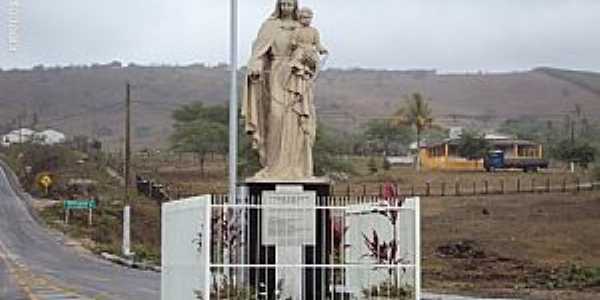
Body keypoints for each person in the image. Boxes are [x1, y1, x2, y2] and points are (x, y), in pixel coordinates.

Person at [242, 0, 326, 180]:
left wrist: (311, 60)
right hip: (276, 75)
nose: (287, 7)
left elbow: (313, 53)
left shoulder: (305, 28)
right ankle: (273, 167)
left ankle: (298, 168)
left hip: (298, 78)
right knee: (276, 116)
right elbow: (258, 53)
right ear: (278, 5)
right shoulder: (270, 26)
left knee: (297, 121)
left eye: (290, 4)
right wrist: (255, 64)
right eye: (284, 4)